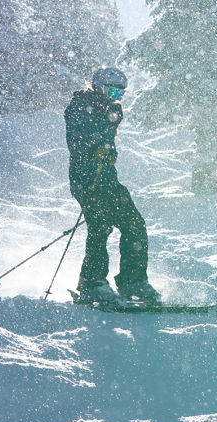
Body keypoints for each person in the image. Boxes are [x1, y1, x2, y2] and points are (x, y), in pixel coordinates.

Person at [64, 66, 161, 306]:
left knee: (134, 224)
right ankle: (92, 282)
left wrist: (108, 152)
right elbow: (76, 141)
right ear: (98, 87)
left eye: (119, 94)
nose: (114, 97)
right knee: (100, 225)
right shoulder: (79, 107)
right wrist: (93, 150)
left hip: (108, 180)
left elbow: (107, 141)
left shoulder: (111, 110)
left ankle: (132, 280)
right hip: (86, 180)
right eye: (110, 91)